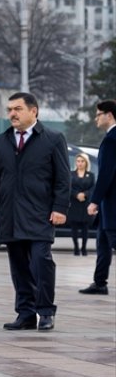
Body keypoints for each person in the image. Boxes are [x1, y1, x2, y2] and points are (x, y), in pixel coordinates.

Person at [0, 92, 69, 331]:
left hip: (40, 214)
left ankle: (46, 312)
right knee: (19, 267)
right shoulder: (2, 140)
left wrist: (60, 208)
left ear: (34, 111)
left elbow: (63, 178)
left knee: (41, 262)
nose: (12, 114)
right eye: (10, 109)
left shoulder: (52, 139)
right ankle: (26, 313)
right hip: (11, 214)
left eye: (18, 109)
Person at [81, 99, 116, 295]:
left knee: (113, 239)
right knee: (102, 242)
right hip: (107, 204)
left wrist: (94, 200)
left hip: (111, 202)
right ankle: (99, 282)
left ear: (109, 115)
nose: (96, 119)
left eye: (98, 114)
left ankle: (100, 282)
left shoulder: (112, 139)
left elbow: (106, 173)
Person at [68, 153, 96, 256]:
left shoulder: (91, 175)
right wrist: (76, 194)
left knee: (85, 227)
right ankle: (76, 248)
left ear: (86, 162)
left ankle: (84, 248)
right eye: (78, 161)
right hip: (74, 203)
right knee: (74, 226)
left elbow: (93, 188)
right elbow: (68, 187)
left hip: (85, 204)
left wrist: (85, 194)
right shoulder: (71, 174)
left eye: (82, 161)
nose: (80, 163)